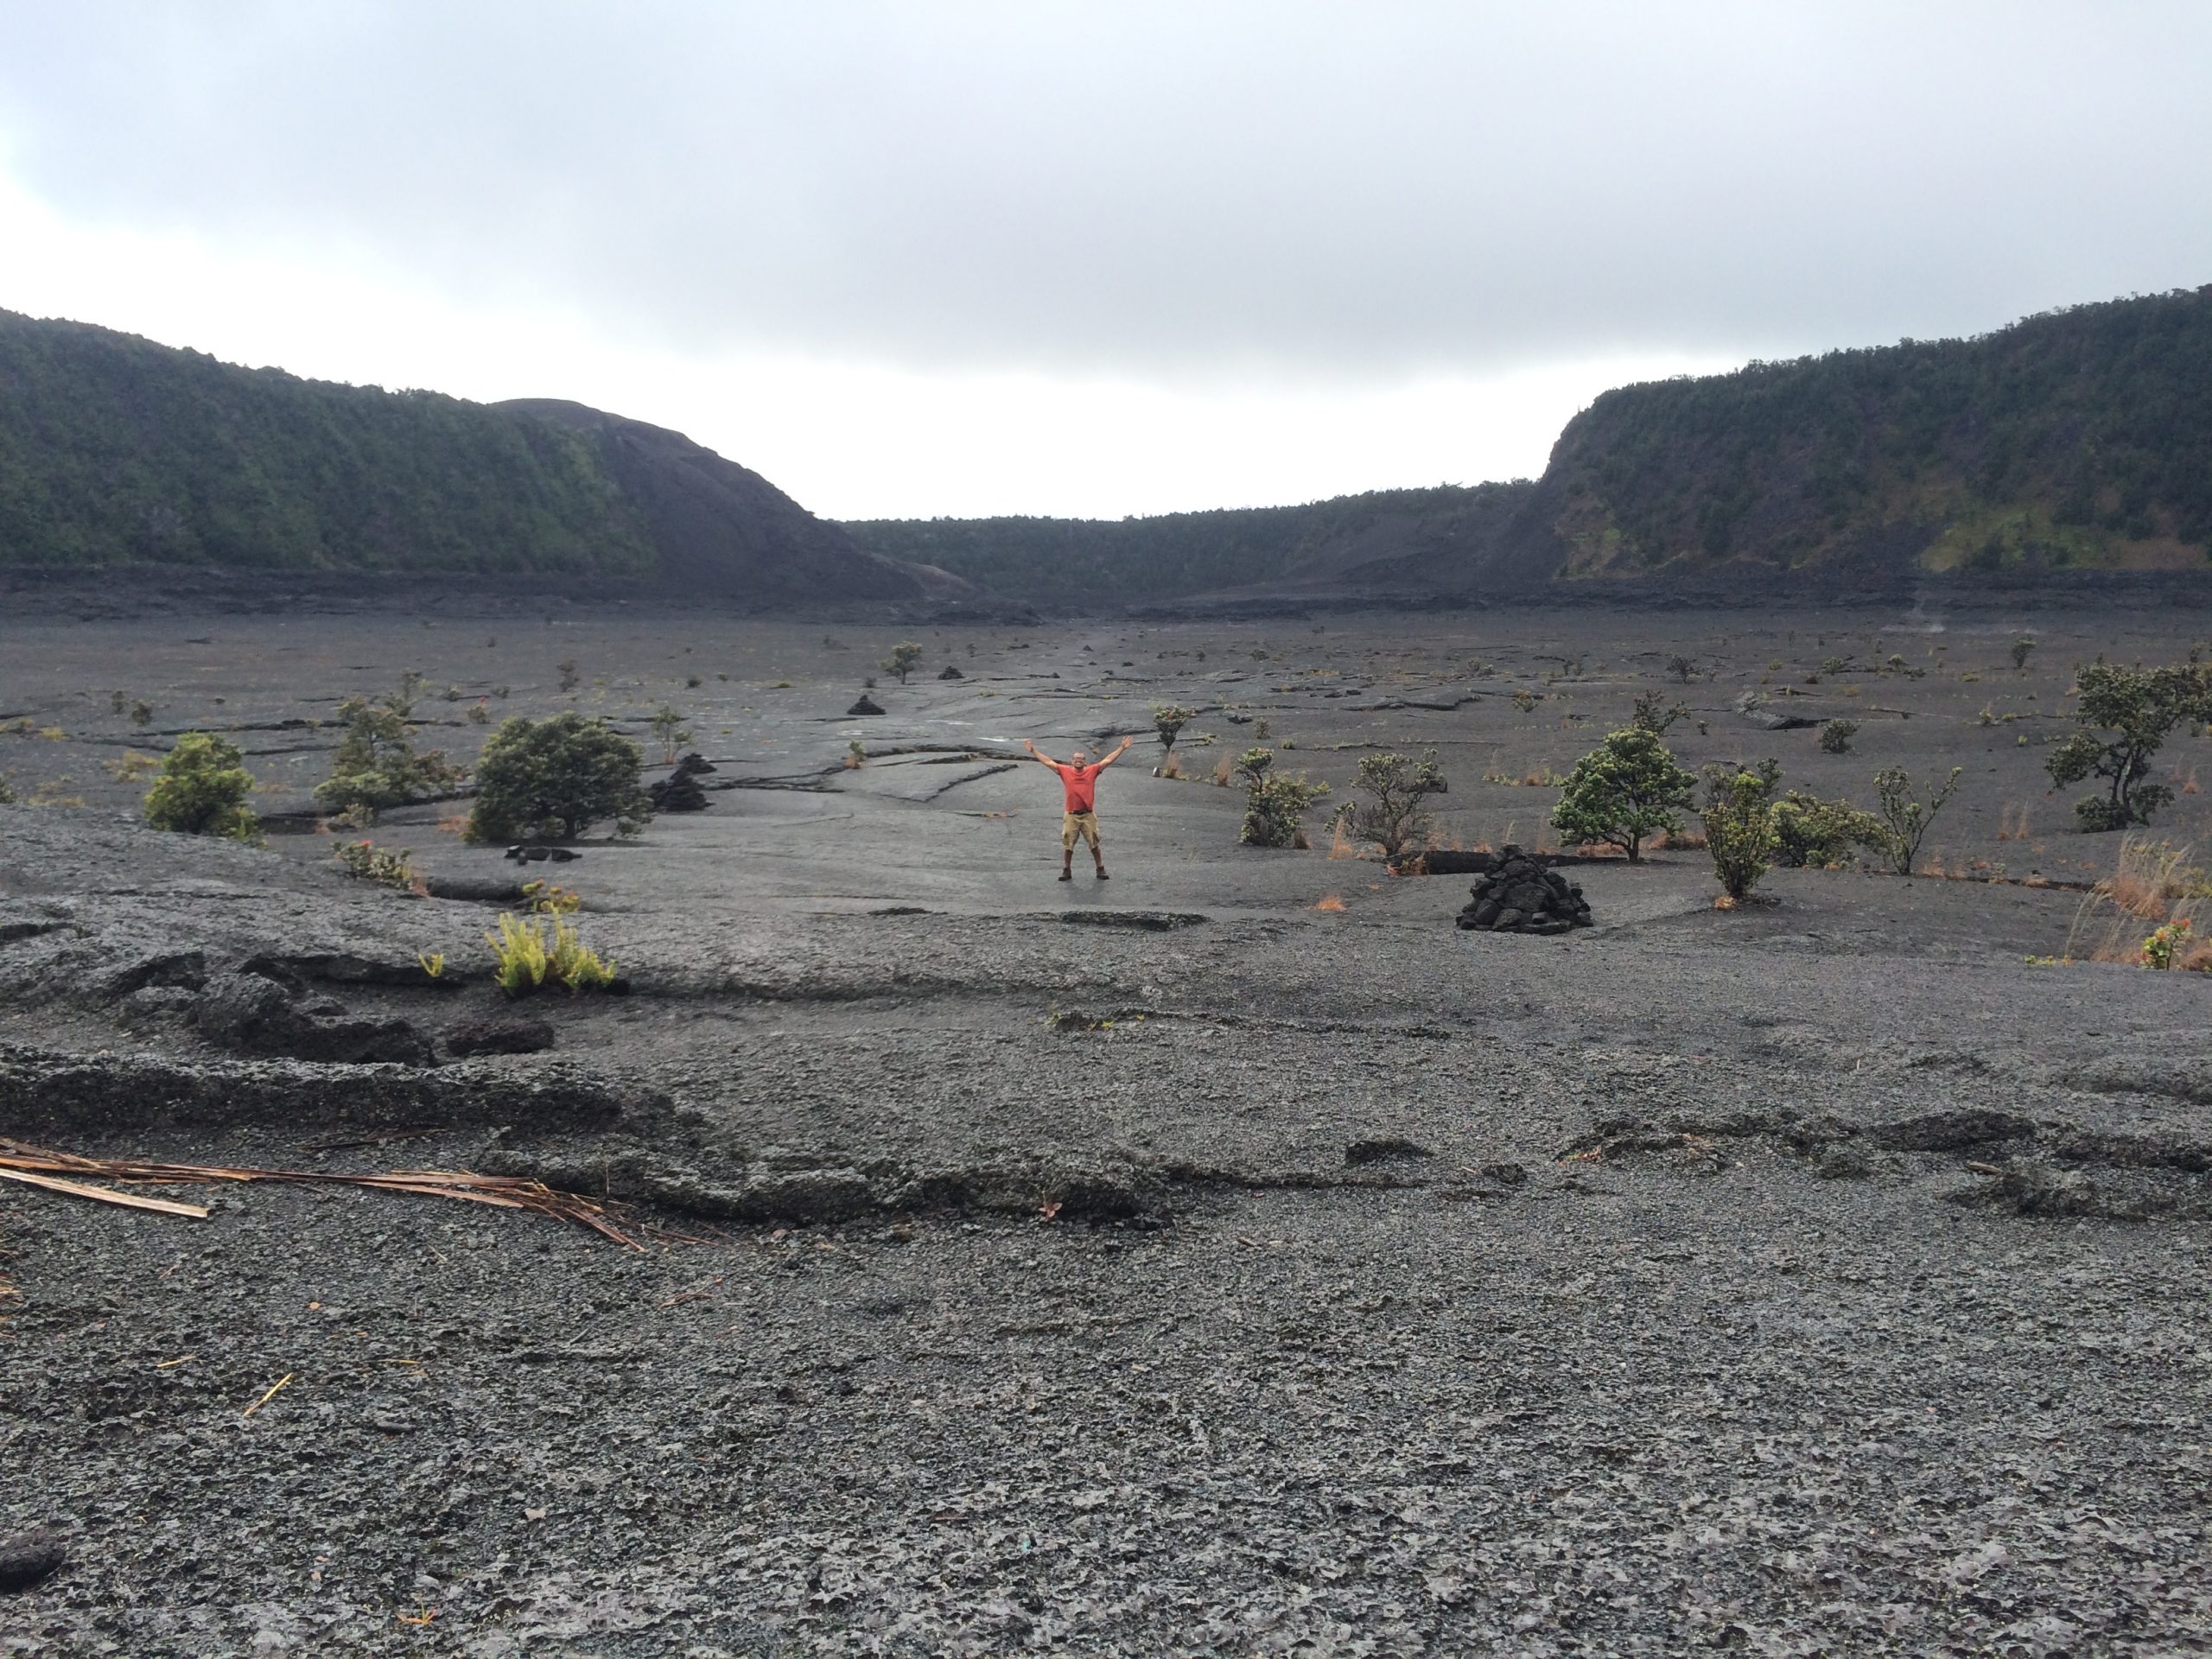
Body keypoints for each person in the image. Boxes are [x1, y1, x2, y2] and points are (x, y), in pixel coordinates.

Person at [1021, 735, 1135, 880]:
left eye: (1081, 758)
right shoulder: (1065, 771)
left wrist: (1122, 748)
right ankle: (1066, 870)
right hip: (1071, 814)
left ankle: (1100, 868)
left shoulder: (1092, 771)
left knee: (1094, 842)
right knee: (1068, 844)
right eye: (1076, 758)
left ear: (1085, 761)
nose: (1078, 760)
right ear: (1072, 761)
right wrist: (1033, 751)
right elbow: (1048, 762)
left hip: (1088, 814)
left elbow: (1108, 760)